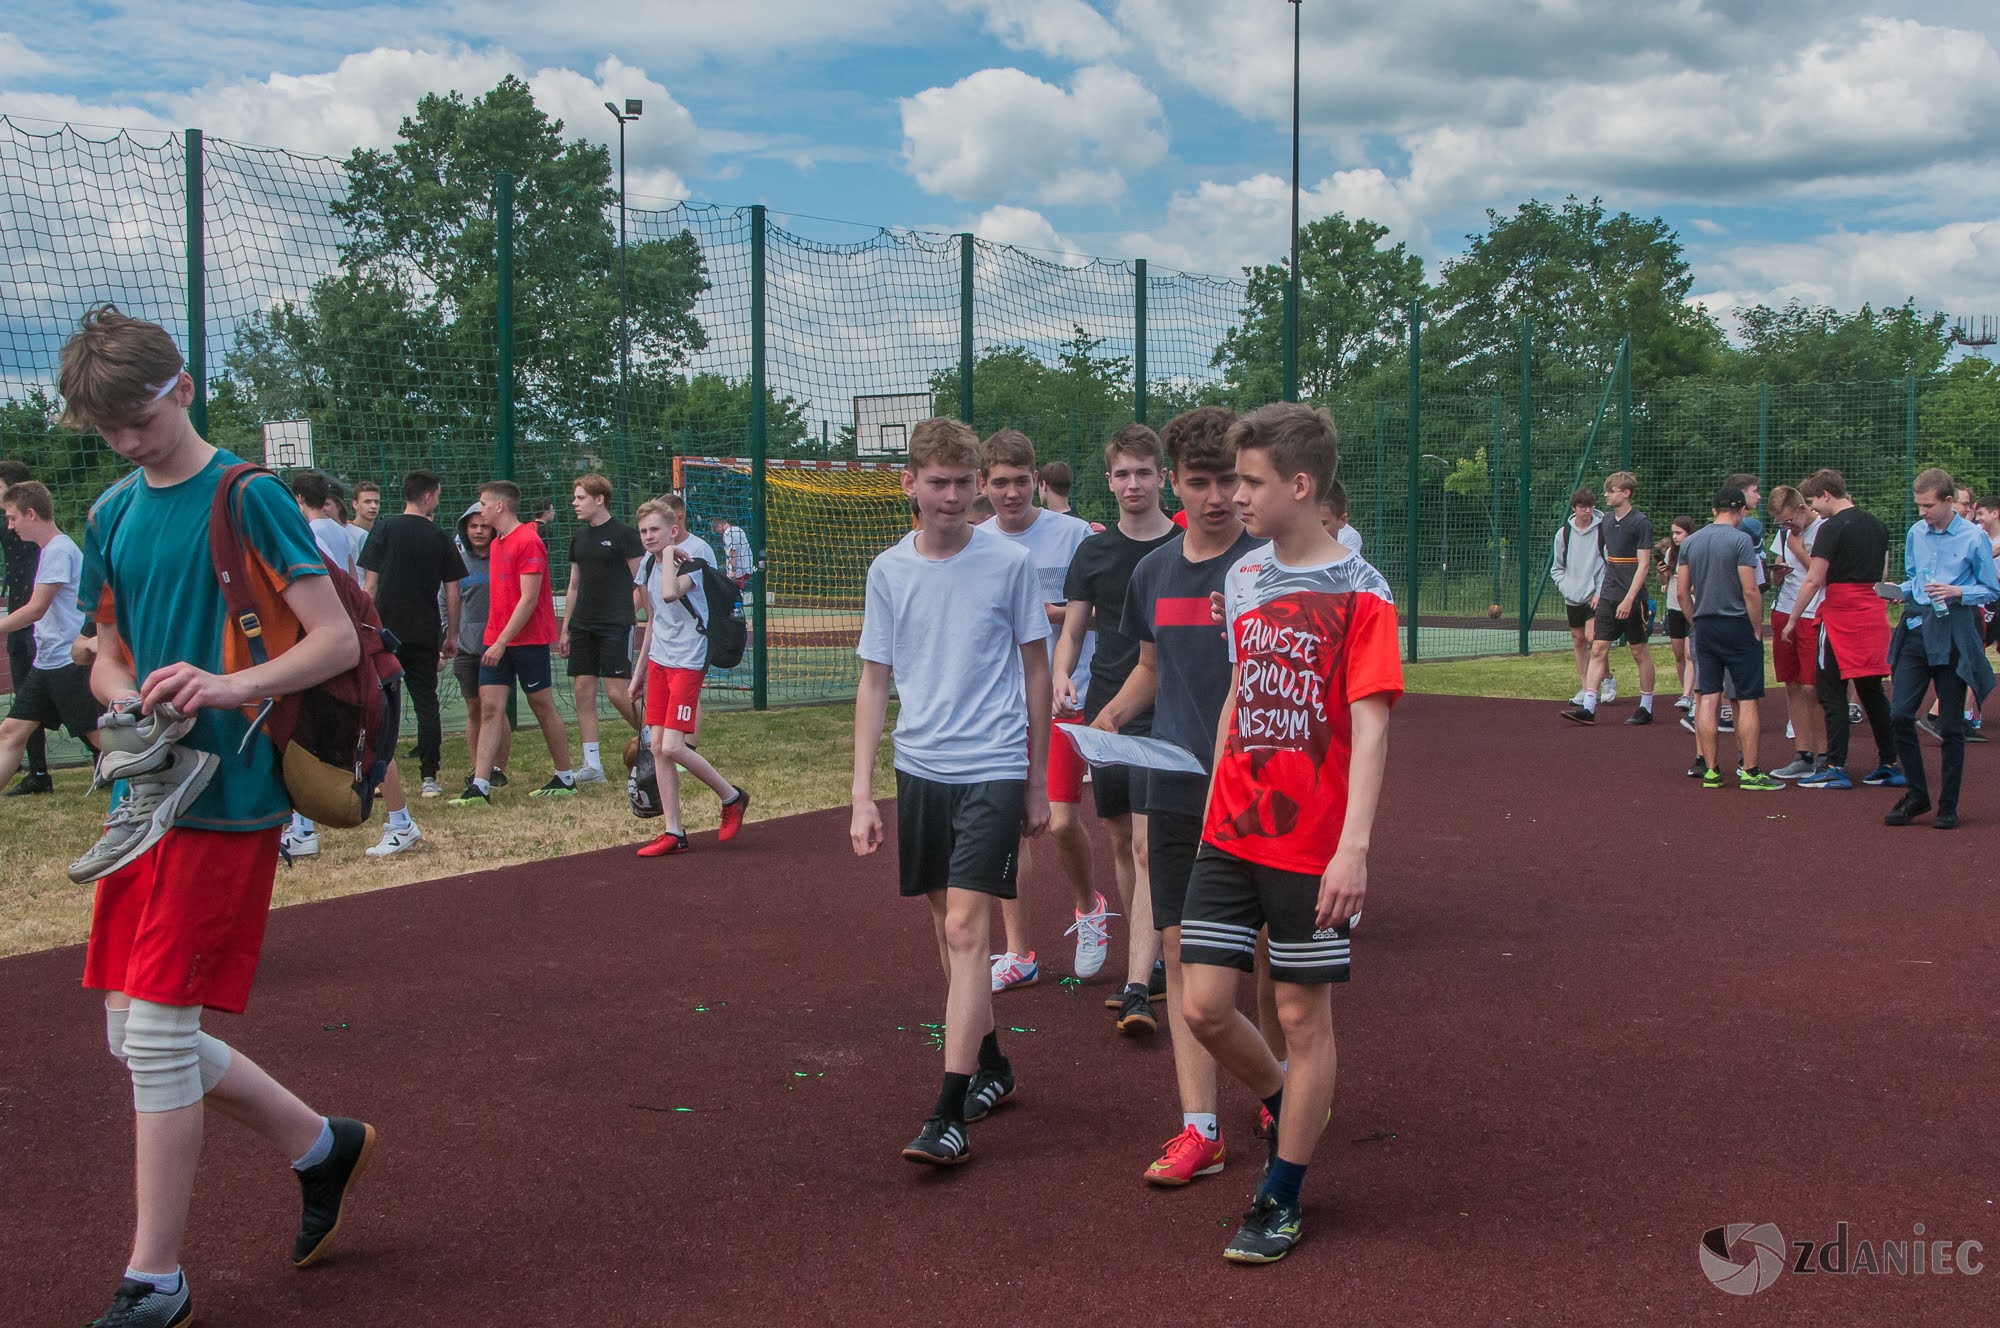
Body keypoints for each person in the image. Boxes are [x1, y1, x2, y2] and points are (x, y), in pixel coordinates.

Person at [58, 304, 375, 1328]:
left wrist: (231, 686)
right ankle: (322, 1143)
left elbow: (331, 640)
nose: (125, 441)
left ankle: (154, 1279)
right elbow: (101, 643)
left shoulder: (250, 494)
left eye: (136, 419)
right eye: (106, 429)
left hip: (230, 797)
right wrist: (117, 688)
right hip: (142, 795)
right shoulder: (110, 511)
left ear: (182, 388)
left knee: (153, 1035)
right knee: (130, 1031)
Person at [1178, 402, 1400, 1264]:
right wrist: (1208, 808)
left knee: (1305, 1016)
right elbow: (1240, 694)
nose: (1233, 495)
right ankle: (1282, 1094)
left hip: (1312, 845)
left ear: (1299, 485)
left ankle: (1283, 1194)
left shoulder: (1363, 589)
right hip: (1230, 829)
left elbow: (1371, 725)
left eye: (1250, 481)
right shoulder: (1242, 580)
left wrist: (1354, 847)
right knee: (1200, 1006)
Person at [850, 417, 1052, 1166]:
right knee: (947, 933)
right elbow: (875, 681)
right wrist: (862, 793)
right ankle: (992, 1063)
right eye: (938, 482)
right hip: (921, 769)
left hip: (994, 765)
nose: (954, 497)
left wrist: (1035, 779)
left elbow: (1036, 667)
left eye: (965, 484)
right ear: (908, 484)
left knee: (970, 932)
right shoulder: (888, 571)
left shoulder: (1008, 563)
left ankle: (948, 1111)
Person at [1091, 404, 1264, 1186]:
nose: (1218, 496)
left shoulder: (1270, 564)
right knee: (1177, 950)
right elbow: (1151, 670)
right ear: (1175, 484)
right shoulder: (1154, 571)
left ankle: (1276, 1087)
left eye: (1230, 479)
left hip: (1260, 791)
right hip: (1174, 784)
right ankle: (1201, 1130)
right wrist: (1114, 713)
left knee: (1263, 959)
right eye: (1201, 481)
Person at [1055, 424, 1180, 1034]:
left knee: (1149, 846)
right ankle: (1147, 956)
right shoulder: (1095, 550)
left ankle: (1142, 973)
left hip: (1166, 705)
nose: (1134, 483)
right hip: (1106, 704)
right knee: (1122, 841)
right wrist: (1061, 675)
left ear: (1162, 476)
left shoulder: (1185, 547)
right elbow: (1074, 630)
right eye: (1122, 474)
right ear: (1109, 481)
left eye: (1144, 472)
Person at [978, 429, 1107, 993]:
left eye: (1020, 481)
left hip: (1063, 695)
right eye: (999, 482)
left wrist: (1045, 615)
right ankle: (1019, 952)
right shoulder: (973, 539)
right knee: (1013, 828)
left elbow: (1103, 615)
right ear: (983, 485)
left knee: (1058, 821)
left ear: (1038, 480)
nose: (1011, 493)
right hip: (1001, 704)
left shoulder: (1075, 534)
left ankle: (1088, 906)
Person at [626, 496, 750, 856]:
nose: (648, 537)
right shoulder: (650, 564)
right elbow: (653, 620)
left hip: (688, 660)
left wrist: (667, 556)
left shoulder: (692, 560)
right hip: (660, 662)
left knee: (673, 746)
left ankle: (732, 796)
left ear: (673, 530)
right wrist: (639, 672)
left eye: (655, 531)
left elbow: (669, 595)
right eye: (644, 531)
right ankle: (673, 831)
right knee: (657, 748)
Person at [450, 480, 579, 805]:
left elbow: (529, 600)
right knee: (490, 708)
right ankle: (479, 784)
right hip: (497, 641)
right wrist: (495, 640)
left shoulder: (529, 541)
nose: (479, 511)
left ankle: (565, 777)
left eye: (483, 504)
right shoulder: (497, 545)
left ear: (499, 507)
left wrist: (501, 642)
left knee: (541, 704)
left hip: (527, 641)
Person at [1881, 468, 1998, 828]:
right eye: (1918, 505)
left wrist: (1958, 591)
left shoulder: (1973, 538)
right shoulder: (1917, 532)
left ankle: (1948, 804)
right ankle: (1918, 794)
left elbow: (1992, 589)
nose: (1922, 513)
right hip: (1917, 629)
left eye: (1928, 506)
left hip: (1952, 635)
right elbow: (1917, 578)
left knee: (1950, 725)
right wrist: (1900, 590)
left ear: (1949, 502)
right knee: (1900, 715)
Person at [1785, 469, 1901, 790]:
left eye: (1813, 502)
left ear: (1826, 494)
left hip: (1840, 615)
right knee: (1871, 691)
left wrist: (1794, 618)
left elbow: (1814, 579)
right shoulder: (1878, 526)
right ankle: (1890, 762)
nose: (1813, 509)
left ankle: (1835, 765)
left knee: (1830, 691)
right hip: (1872, 613)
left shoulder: (1830, 528)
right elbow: (1883, 573)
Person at [357, 470, 465, 803]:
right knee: (425, 702)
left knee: (377, 703)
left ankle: (375, 776)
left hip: (384, 631)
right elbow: (453, 591)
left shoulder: (384, 527)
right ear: (429, 496)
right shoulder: (438, 536)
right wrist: (451, 635)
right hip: (423, 631)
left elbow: (369, 586)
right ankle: (429, 777)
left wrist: (365, 629)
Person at [1676, 488, 1780, 790]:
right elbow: (1750, 590)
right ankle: (1750, 771)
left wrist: (1695, 621)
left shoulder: (1691, 542)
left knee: (1708, 695)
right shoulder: (1741, 541)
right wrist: (1757, 627)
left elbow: (1683, 592)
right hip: (1737, 625)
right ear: (1741, 511)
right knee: (1746, 698)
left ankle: (1710, 770)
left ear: (1713, 510)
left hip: (1705, 626)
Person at [0, 480, 100, 784]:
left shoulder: (59, 550)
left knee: (103, 739)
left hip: (68, 662)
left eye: (12, 517)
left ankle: (165, 770)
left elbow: (36, 609)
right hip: (46, 664)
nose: (10, 525)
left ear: (31, 514)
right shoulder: (51, 550)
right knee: (10, 732)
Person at [561, 474, 644, 784]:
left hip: (615, 625)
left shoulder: (624, 535)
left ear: (599, 499)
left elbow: (641, 580)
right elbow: (573, 585)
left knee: (616, 693)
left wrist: (629, 612)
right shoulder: (579, 539)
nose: (575, 503)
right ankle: (592, 765)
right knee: (583, 690)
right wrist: (566, 627)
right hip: (583, 625)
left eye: (580, 497)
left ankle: (659, 746)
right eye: (575, 497)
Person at [1561, 472, 1653, 724]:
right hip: (1608, 596)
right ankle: (1589, 706)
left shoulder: (1640, 522)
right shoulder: (1606, 522)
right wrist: (1600, 593)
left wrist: (1629, 598)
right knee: (1598, 647)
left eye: (1611, 490)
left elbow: (1643, 566)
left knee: (1638, 650)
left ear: (1626, 493)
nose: (1606, 495)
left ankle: (1646, 706)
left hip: (1632, 598)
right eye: (1607, 490)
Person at [1765, 487, 1826, 779]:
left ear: (1803, 508)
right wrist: (1777, 575)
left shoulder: (1825, 528)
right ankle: (1802, 753)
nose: (1787, 528)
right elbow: (1782, 575)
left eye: (1789, 520)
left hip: (1814, 613)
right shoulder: (1783, 535)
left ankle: (1823, 753)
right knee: (1791, 682)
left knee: (1812, 686)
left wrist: (1798, 548)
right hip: (1784, 610)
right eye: (1781, 523)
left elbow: (1820, 574)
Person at [450, 502, 512, 791]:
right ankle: (478, 769)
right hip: (467, 647)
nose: (478, 531)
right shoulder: (458, 561)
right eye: (472, 526)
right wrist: (447, 633)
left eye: (483, 526)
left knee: (494, 708)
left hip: (497, 646)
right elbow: (445, 600)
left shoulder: (503, 557)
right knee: (474, 707)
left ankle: (497, 768)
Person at [0, 458, 53, 794]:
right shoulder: (10, 523)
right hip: (21, 618)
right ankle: (38, 772)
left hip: (39, 623)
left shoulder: (38, 531)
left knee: (75, 699)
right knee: (26, 697)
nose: (10, 524)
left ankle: (106, 763)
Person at [1550, 488, 1617, 707]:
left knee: (1593, 638)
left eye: (1589, 506)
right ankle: (1586, 685)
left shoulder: (1602, 531)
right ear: (1574, 508)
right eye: (1582, 507)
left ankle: (1606, 679)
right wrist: (1565, 586)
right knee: (1578, 640)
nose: (1586, 511)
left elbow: (1608, 564)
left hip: (1595, 596)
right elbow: (1557, 567)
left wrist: (1599, 592)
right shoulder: (1564, 534)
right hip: (1573, 595)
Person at [1659, 518, 1696, 711]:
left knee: (1691, 654)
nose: (1674, 537)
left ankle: (1688, 695)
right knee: (1679, 654)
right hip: (1673, 607)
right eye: (1673, 533)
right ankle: (1686, 692)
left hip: (1691, 607)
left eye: (1679, 533)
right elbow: (1663, 580)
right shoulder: (1671, 553)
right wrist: (1662, 573)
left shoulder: (1696, 551)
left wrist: (1691, 587)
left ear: (1689, 533)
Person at [710, 514, 755, 588]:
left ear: (719, 525)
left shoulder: (727, 534)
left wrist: (732, 571)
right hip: (747, 566)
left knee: (734, 592)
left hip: (738, 569)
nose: (716, 532)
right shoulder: (738, 529)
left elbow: (733, 553)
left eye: (715, 529)